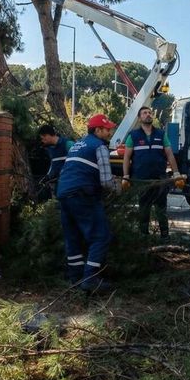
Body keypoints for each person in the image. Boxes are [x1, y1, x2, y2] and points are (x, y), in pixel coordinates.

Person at [56, 113, 120, 293]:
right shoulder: (99, 147)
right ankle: (90, 279)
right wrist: (120, 188)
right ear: (97, 130)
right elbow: (106, 181)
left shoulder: (77, 145)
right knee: (101, 235)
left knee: (73, 237)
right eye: (107, 129)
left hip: (64, 194)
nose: (109, 132)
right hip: (83, 195)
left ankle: (75, 278)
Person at [121, 107, 182, 239]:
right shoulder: (133, 136)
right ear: (139, 118)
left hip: (160, 179)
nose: (148, 115)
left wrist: (176, 174)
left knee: (161, 209)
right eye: (144, 113)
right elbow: (126, 157)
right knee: (144, 208)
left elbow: (170, 154)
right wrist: (125, 176)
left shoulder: (161, 134)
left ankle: (165, 236)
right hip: (141, 179)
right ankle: (144, 237)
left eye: (150, 113)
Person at [37, 124, 74, 190]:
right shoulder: (50, 149)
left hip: (71, 182)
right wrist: (48, 176)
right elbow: (53, 164)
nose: (42, 141)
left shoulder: (68, 144)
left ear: (47, 135)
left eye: (42, 138)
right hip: (59, 184)